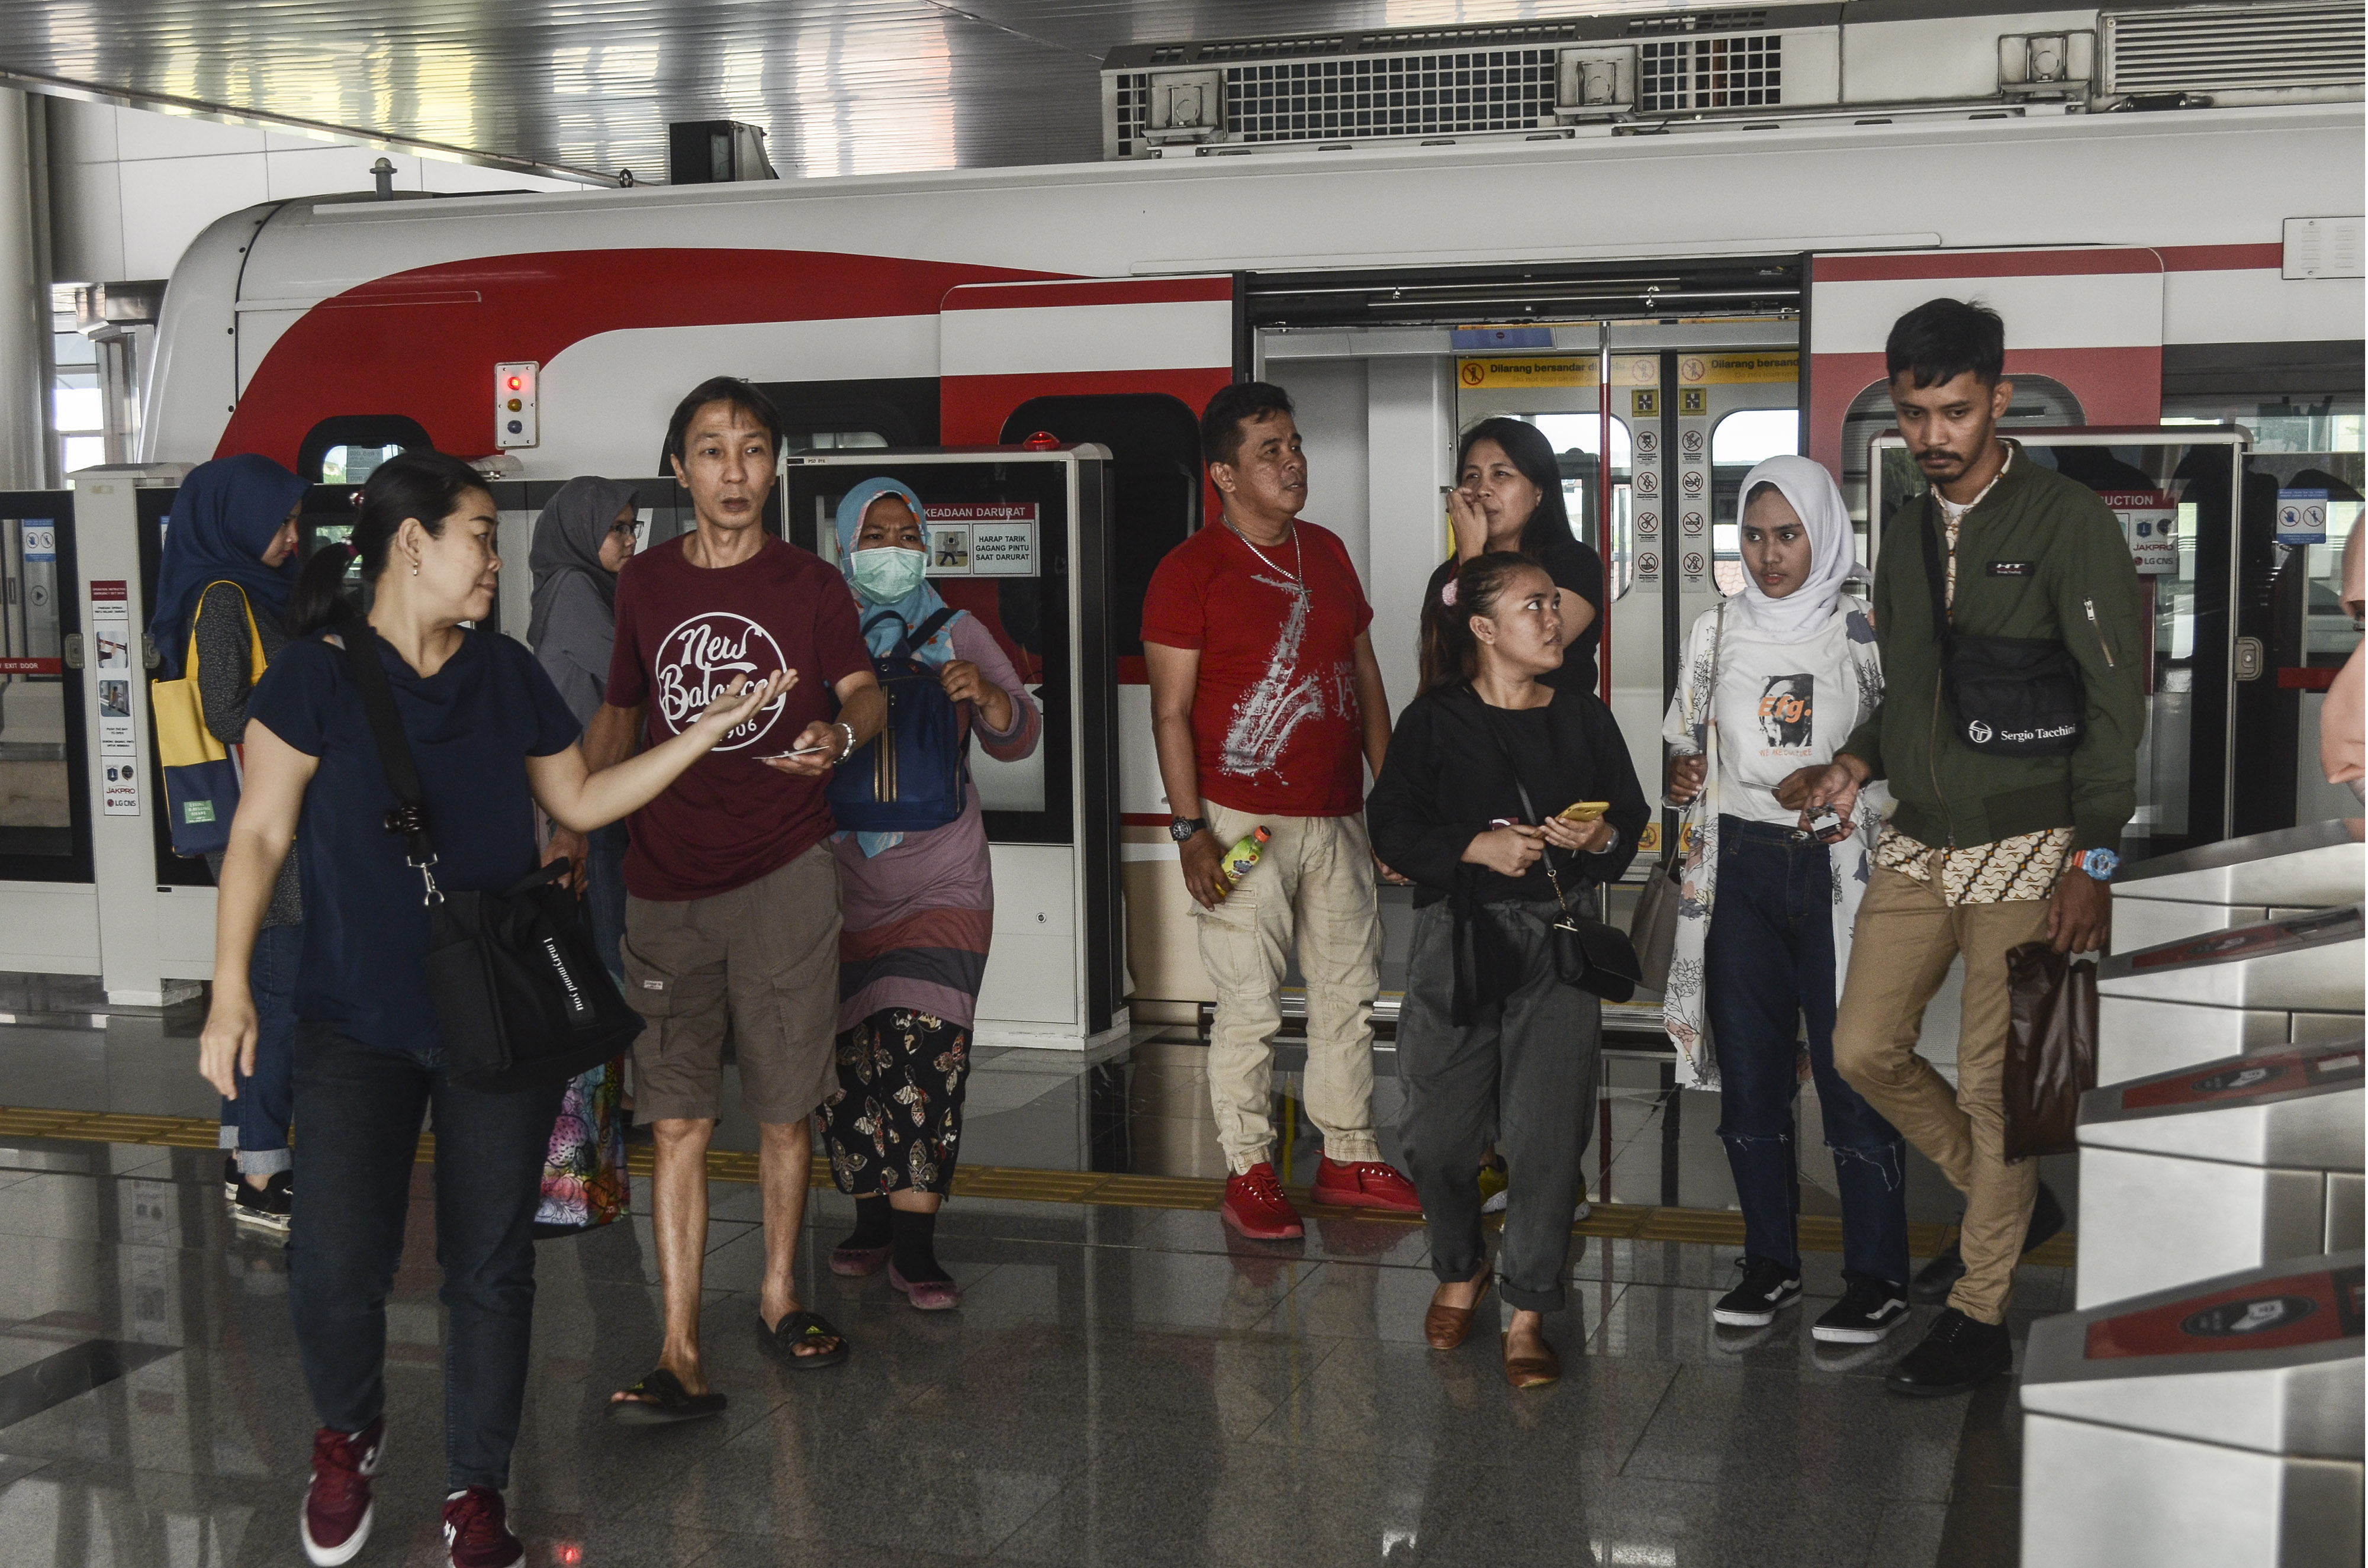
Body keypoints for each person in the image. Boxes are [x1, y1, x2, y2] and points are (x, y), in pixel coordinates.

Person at [195, 450, 789, 1568]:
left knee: (491, 1267)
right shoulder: (312, 678)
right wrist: (231, 990)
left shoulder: (505, 671)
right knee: (334, 1266)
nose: (493, 562)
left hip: (495, 1019)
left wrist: (702, 732)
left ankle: (476, 1489)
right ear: (411, 542)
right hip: (353, 1021)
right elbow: (259, 836)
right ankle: (347, 1431)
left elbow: (580, 799)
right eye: (477, 535)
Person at [1782, 299, 2144, 1396]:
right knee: (1860, 1048)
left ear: (1999, 398)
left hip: (2033, 841)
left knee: (1996, 1086)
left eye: (1955, 410)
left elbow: (2115, 704)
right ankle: (2012, 1203)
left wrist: (2093, 862)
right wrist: (1851, 762)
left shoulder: (2067, 520)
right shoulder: (1903, 526)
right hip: (1923, 836)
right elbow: (1909, 693)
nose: (1934, 434)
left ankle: (1980, 1311)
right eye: (1914, 412)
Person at [587, 378, 887, 1416]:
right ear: (680, 468)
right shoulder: (645, 583)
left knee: (783, 1106)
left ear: (775, 466)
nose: (734, 470)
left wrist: (839, 735)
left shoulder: (811, 583)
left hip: (783, 873)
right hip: (664, 880)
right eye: (711, 450)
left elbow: (864, 691)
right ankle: (678, 1346)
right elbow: (623, 709)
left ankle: (778, 1294)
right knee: (676, 1116)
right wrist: (572, 818)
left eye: (753, 449)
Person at [1142, 381, 1421, 1241]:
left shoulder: (1326, 551)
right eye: (1270, 451)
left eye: (1295, 445)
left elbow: (1366, 679)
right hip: (1240, 823)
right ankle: (1249, 1168)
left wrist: (1392, 803)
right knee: (1250, 1000)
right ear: (1224, 475)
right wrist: (1190, 832)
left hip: (1337, 817)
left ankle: (1348, 1155)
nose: (1293, 462)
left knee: (1348, 992)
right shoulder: (1188, 571)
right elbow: (1168, 712)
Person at [1367, 550, 1647, 1388]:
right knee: (1435, 1136)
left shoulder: (1584, 718)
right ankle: (1462, 1265)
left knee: (1546, 1137)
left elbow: (1629, 821)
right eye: (1534, 606)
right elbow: (1391, 825)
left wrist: (1600, 838)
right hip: (1456, 940)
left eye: (1554, 603)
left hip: (1554, 943)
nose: (1554, 619)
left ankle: (1528, 1306)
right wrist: (1473, 848)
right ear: (1484, 629)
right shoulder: (1433, 720)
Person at [1659, 456, 1911, 1345]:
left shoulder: (1864, 633)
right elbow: (1687, 746)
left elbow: (1904, 745)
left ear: (1825, 534)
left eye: (1789, 535)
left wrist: (1846, 775)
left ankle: (1879, 1276)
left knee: (1851, 1073)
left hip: (1840, 872)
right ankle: (1769, 1262)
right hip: (1742, 869)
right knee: (1752, 1077)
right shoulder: (1715, 632)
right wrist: (1684, 775)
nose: (1769, 556)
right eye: (1756, 537)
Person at [821, 478, 1041, 1309]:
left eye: (906, 532)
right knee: (849, 1060)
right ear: (846, 544)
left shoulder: (960, 628)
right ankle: (871, 1219)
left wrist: (987, 696)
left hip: (944, 876)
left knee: (927, 1055)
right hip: (838, 877)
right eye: (874, 533)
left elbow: (1020, 735)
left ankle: (916, 1247)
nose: (892, 547)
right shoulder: (820, 626)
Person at [150, 452, 310, 1235]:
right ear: (237, 522)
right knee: (273, 995)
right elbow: (225, 712)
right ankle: (261, 1175)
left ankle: (240, 1147)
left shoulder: (240, 590)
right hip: (261, 822)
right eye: (281, 521)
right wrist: (314, 709)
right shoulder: (223, 596)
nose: (294, 535)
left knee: (261, 990)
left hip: (264, 814)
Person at [525, 477, 642, 1234]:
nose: (629, 542)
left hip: (598, 796)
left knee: (600, 954)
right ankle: (592, 1134)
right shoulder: (575, 589)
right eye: (618, 529)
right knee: (596, 959)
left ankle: (607, 1114)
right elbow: (633, 675)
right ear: (579, 531)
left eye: (633, 528)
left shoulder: (587, 588)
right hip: (583, 804)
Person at [1419, 417, 1606, 694]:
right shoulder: (1446, 577)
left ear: (1539, 490)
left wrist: (1472, 556)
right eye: (1472, 477)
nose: (1482, 490)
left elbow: (1508, 659)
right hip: (1459, 721)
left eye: (1501, 474)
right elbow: (1432, 674)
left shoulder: (1575, 564)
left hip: (1551, 720)